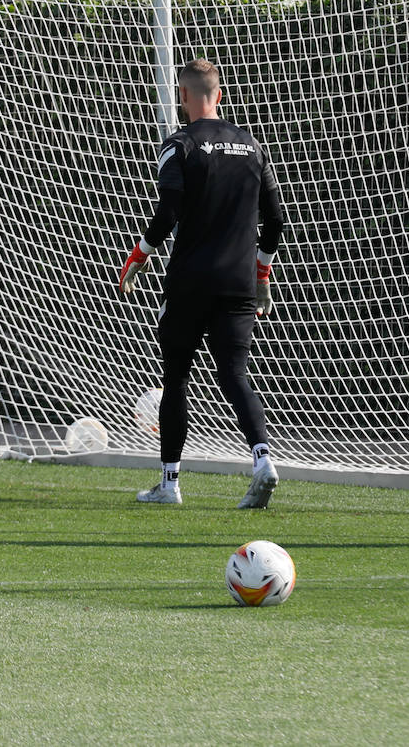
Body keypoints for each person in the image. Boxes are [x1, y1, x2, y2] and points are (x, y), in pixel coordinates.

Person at [118, 58, 286, 508]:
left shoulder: (179, 145)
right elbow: (276, 219)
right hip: (238, 284)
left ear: (185, 95)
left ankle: (170, 485)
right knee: (234, 375)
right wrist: (262, 273)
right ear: (219, 93)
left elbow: (168, 211)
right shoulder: (251, 146)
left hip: (190, 283)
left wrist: (139, 256)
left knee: (176, 380)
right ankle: (264, 460)